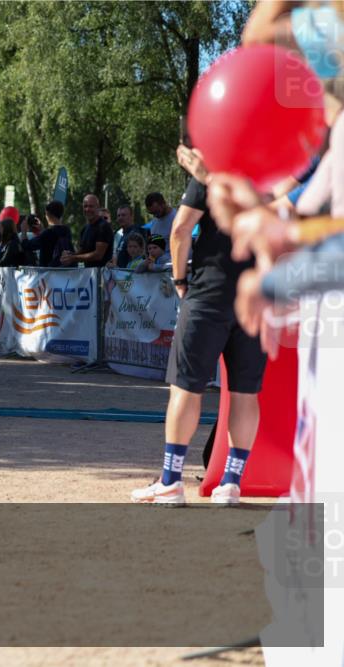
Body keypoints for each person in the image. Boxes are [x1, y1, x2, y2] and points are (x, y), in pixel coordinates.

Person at [131, 152, 267, 506]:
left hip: (208, 294)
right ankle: (232, 483)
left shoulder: (214, 171)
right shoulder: (277, 175)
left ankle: (171, 481)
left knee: (186, 390)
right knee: (244, 393)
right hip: (255, 297)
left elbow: (179, 230)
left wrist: (179, 280)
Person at [60, 194, 113, 267]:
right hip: (89, 275)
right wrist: (69, 255)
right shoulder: (85, 228)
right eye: (85, 206)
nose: (87, 209)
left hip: (102, 275)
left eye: (91, 206)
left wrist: (73, 258)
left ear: (98, 207)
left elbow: (98, 255)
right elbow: (83, 251)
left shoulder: (103, 227)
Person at [22, 200, 73, 267]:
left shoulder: (48, 233)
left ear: (48, 214)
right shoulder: (67, 230)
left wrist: (23, 231)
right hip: (63, 271)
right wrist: (43, 230)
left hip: (48, 272)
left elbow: (27, 246)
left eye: (46, 214)